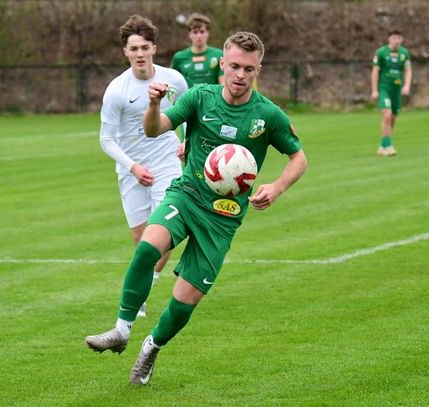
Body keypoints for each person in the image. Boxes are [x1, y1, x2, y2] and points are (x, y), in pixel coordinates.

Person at [85, 31, 307, 386]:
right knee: (147, 248)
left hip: (222, 219)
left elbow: (299, 158)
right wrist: (154, 104)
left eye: (248, 69)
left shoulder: (267, 115)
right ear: (223, 64)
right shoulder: (200, 97)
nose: (240, 75)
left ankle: (152, 347)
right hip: (186, 195)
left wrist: (277, 187)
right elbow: (154, 129)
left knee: (184, 302)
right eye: (234, 66)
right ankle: (121, 330)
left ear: (258, 70)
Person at [98, 14, 188, 317]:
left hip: (166, 162)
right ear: (125, 51)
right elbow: (106, 139)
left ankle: (144, 289)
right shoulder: (117, 90)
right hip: (131, 169)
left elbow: (190, 113)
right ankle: (143, 287)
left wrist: (187, 141)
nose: (139, 54)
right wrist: (133, 166)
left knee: (163, 234)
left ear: (154, 49)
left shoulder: (174, 79)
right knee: (140, 238)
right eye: (133, 48)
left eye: (144, 47)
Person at [371, 28, 412, 156]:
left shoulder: (404, 53)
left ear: (402, 39)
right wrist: (374, 90)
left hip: (397, 89)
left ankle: (383, 145)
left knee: (393, 117)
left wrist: (407, 86)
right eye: (394, 38)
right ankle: (389, 146)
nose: (396, 40)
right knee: (387, 114)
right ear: (389, 39)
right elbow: (375, 71)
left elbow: (408, 70)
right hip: (384, 88)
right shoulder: (381, 52)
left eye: (399, 38)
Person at [170, 13, 225, 87]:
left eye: (202, 32)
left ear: (208, 33)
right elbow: (173, 84)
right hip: (188, 94)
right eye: (195, 32)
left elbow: (223, 85)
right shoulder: (179, 57)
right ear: (190, 34)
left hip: (212, 94)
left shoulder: (219, 55)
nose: (199, 36)